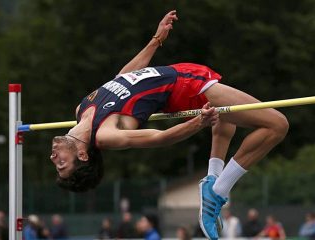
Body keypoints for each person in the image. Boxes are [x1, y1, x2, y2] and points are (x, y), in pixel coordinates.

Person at [49, 10, 289, 239]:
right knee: (277, 125)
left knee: (228, 122)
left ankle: (212, 181)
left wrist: (156, 39)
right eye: (62, 164)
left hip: (179, 74)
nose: (53, 159)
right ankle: (219, 191)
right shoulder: (106, 136)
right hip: (184, 88)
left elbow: (121, 79)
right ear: (82, 155)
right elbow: (158, 138)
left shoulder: (81, 109)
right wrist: (198, 122)